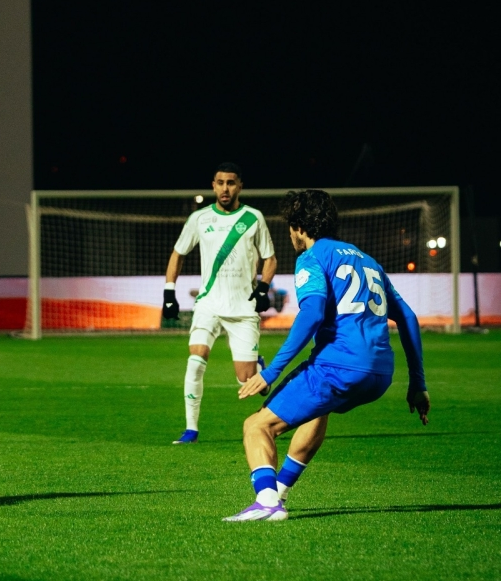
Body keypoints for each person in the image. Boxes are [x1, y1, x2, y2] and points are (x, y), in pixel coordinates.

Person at [226, 189, 430, 521]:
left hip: (339, 364)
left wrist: (270, 372)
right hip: (380, 374)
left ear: (298, 226)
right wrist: (418, 384)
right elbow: (407, 316)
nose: (290, 234)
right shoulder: (368, 261)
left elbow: (311, 314)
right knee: (319, 409)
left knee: (256, 426)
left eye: (290, 227)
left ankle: (266, 503)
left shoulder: (312, 257)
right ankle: (279, 492)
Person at [163, 162, 277, 444]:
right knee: (195, 361)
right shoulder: (199, 219)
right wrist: (168, 292)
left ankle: (259, 371)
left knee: (245, 380)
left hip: (242, 308)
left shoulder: (253, 218)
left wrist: (263, 287)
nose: (225, 188)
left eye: (231, 183)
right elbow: (178, 254)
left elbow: (270, 257)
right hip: (208, 304)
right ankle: (191, 429)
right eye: (220, 182)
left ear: (240, 186)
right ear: (213, 185)